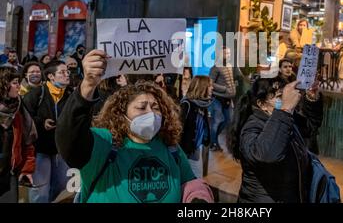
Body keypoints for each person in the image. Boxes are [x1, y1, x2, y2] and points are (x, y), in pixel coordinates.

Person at [55, 50, 214, 203]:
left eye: (156, 107)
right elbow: (69, 139)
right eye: (141, 107)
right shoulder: (105, 144)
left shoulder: (170, 148)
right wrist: (87, 85)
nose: (150, 113)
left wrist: (198, 198)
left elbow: (189, 182)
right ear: (121, 114)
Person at [227, 79, 311, 202]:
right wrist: (285, 109)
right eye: (279, 96)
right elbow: (266, 154)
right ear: (262, 104)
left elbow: (309, 128)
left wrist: (312, 99)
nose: (284, 100)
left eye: (285, 95)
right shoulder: (252, 127)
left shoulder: (284, 119)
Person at [22, 61, 73, 203]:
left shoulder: (70, 94)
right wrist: (41, 122)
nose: (67, 75)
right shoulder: (36, 94)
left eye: (67, 71)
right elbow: (24, 117)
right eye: (62, 72)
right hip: (40, 150)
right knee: (40, 192)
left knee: (61, 185)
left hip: (61, 151)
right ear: (51, 76)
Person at [0, 67, 37, 203]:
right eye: (15, 82)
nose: (19, 87)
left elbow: (27, 142)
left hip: (9, 174)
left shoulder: (19, 109)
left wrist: (27, 169)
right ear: (4, 84)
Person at [179, 76, 213, 178]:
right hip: (185, 152)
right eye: (210, 85)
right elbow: (178, 129)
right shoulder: (186, 104)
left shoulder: (203, 105)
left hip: (196, 149)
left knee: (196, 178)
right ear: (202, 87)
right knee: (194, 179)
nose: (212, 88)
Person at [209, 47, 236, 152]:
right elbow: (210, 82)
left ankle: (213, 139)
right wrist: (224, 89)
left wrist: (232, 93)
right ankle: (213, 143)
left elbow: (231, 81)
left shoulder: (229, 66)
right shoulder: (215, 67)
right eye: (225, 54)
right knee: (217, 121)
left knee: (228, 121)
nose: (228, 56)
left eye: (229, 53)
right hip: (217, 99)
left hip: (228, 100)